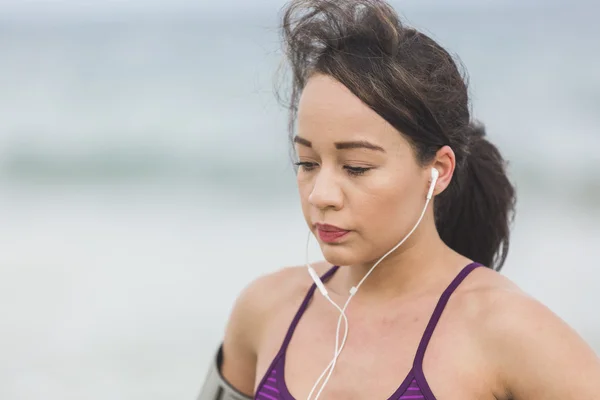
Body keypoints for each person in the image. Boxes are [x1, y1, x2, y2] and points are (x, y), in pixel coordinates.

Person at [197, 1, 600, 399]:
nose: (321, 195)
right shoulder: (266, 310)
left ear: (438, 170)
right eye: (307, 162)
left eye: (356, 167)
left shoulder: (506, 330)